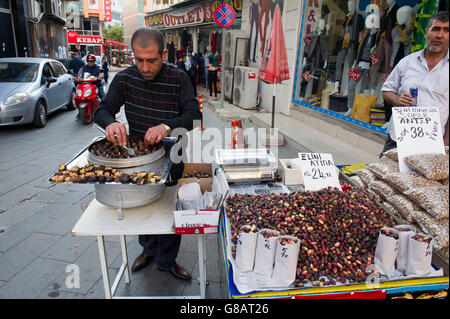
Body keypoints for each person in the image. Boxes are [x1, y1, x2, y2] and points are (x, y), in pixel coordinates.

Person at [94, 27, 201, 280]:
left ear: (163, 54)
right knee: (142, 206)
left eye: (151, 60)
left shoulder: (179, 78)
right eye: (138, 59)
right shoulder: (124, 79)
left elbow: (194, 116)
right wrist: (110, 122)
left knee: (171, 210)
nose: (144, 67)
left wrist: (166, 127)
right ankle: (148, 250)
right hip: (138, 159)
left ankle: (168, 260)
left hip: (173, 156)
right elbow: (102, 109)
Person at [380, 11, 449, 156]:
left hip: (431, 145)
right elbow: (386, 91)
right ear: (426, 33)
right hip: (396, 138)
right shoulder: (407, 62)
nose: (439, 35)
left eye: (446, 30)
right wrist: (397, 99)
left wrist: (444, 147)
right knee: (382, 177)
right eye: (435, 29)